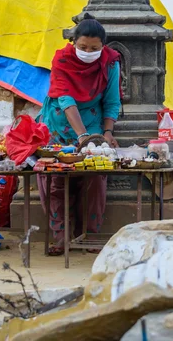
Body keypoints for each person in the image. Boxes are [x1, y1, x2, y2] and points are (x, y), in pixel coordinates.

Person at [37, 14, 121, 256]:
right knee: (57, 182)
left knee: (95, 177)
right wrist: (81, 136)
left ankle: (91, 234)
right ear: (73, 43)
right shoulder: (62, 60)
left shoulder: (110, 63)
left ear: (103, 47)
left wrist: (106, 132)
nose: (88, 52)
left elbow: (112, 101)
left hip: (93, 123)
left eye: (94, 48)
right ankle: (60, 238)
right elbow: (65, 99)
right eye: (83, 47)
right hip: (60, 122)